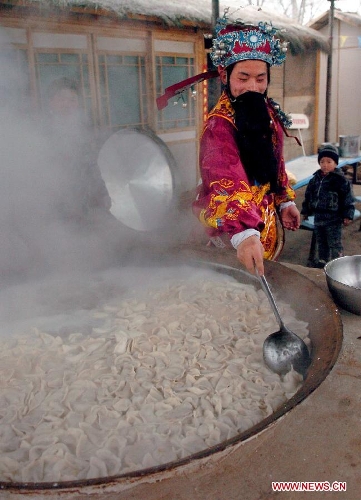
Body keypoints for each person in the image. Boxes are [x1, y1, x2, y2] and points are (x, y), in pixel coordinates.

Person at [192, 15, 300, 276]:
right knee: (235, 285)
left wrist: (284, 200)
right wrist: (243, 233)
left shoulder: (265, 110)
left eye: (261, 79)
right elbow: (224, 175)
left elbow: (274, 159)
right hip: (234, 228)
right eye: (243, 78)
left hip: (265, 219)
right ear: (224, 75)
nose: (253, 87)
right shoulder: (219, 126)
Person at [301, 144, 355, 268]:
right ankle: (323, 261)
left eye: (329, 161)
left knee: (334, 243)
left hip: (334, 219)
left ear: (335, 163)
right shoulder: (315, 179)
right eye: (322, 161)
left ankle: (339, 265)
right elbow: (308, 196)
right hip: (319, 218)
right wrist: (305, 211)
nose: (325, 164)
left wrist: (348, 215)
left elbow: (348, 199)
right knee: (321, 242)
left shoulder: (340, 181)